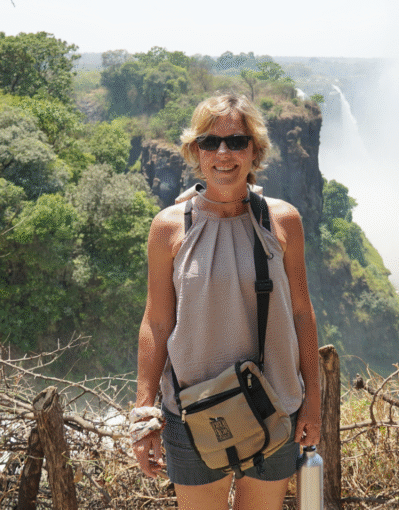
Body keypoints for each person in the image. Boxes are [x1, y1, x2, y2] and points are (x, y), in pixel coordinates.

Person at [133, 94, 321, 509]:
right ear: (194, 151)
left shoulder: (282, 220)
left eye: (236, 141)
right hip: (193, 411)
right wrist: (144, 414)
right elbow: (157, 323)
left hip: (274, 406)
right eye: (209, 141)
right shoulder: (169, 227)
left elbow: (302, 314)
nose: (223, 153)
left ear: (255, 151)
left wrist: (313, 402)